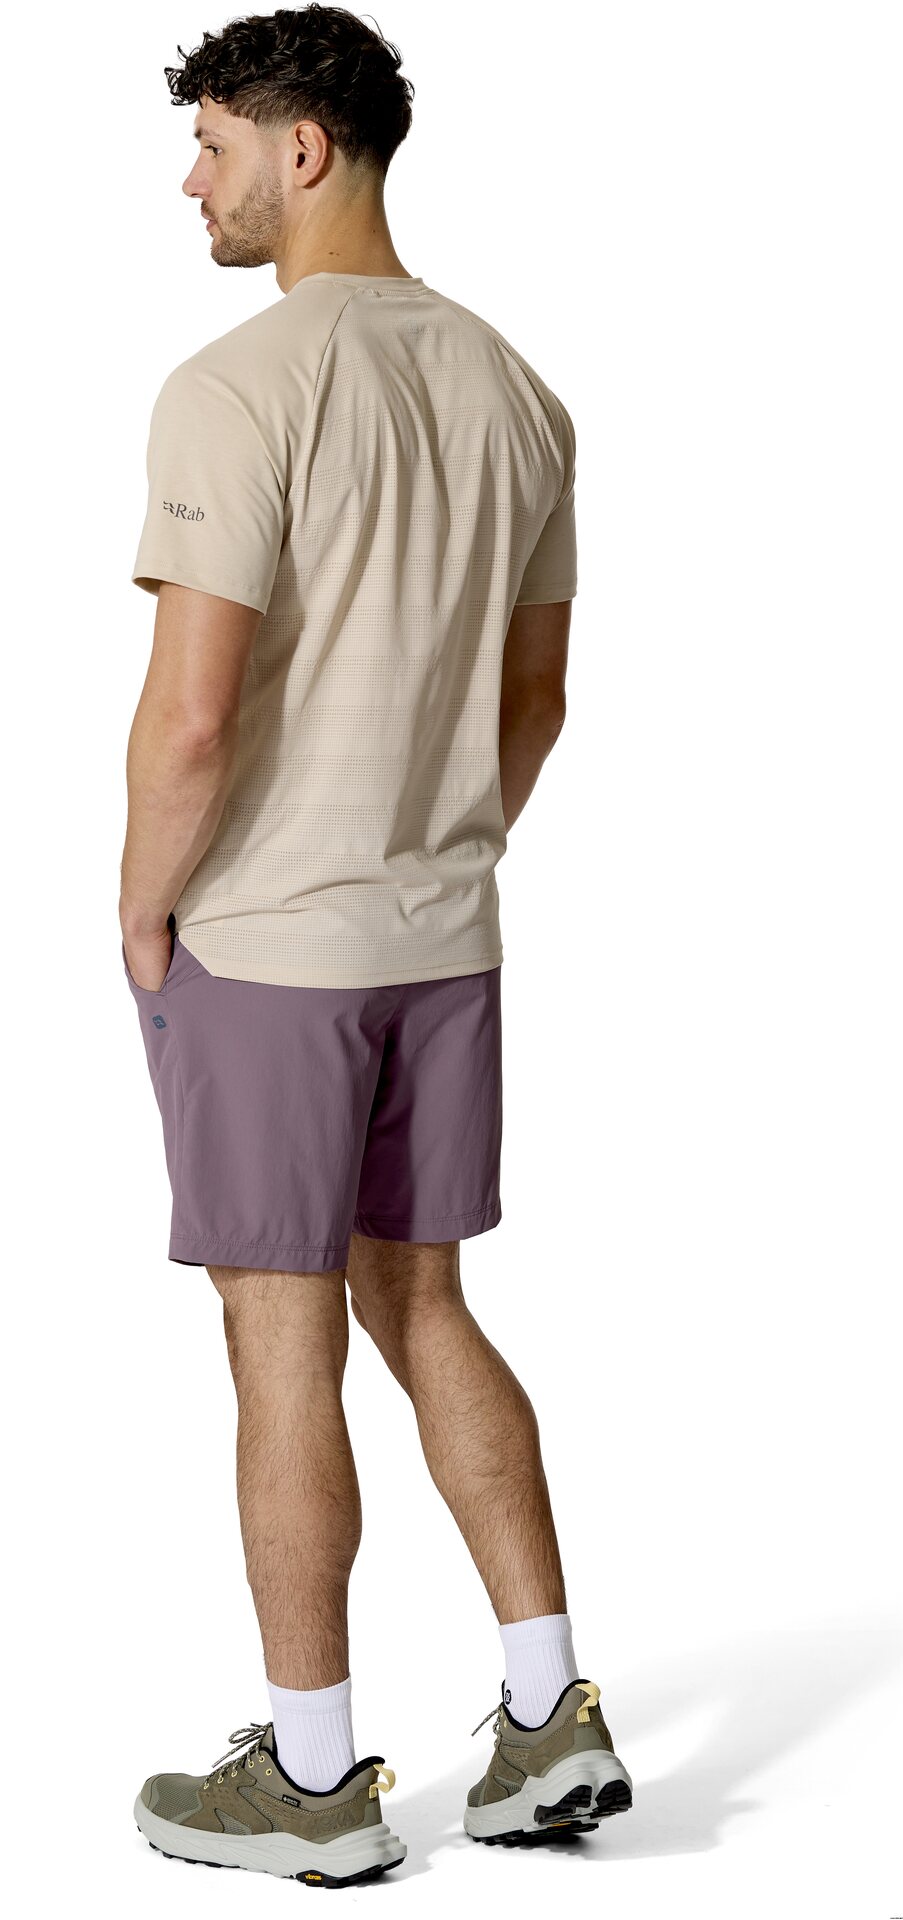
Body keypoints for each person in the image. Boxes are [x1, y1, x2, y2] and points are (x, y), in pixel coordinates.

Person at [120, 4, 632, 1887]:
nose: (192, 181)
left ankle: (318, 1782)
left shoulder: (236, 386)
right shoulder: (517, 390)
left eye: (212, 145)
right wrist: (436, 849)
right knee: (423, 1303)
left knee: (279, 1342)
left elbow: (192, 721)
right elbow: (539, 698)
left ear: (303, 147)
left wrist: (140, 906)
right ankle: (549, 1714)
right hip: (442, 937)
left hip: (268, 945)